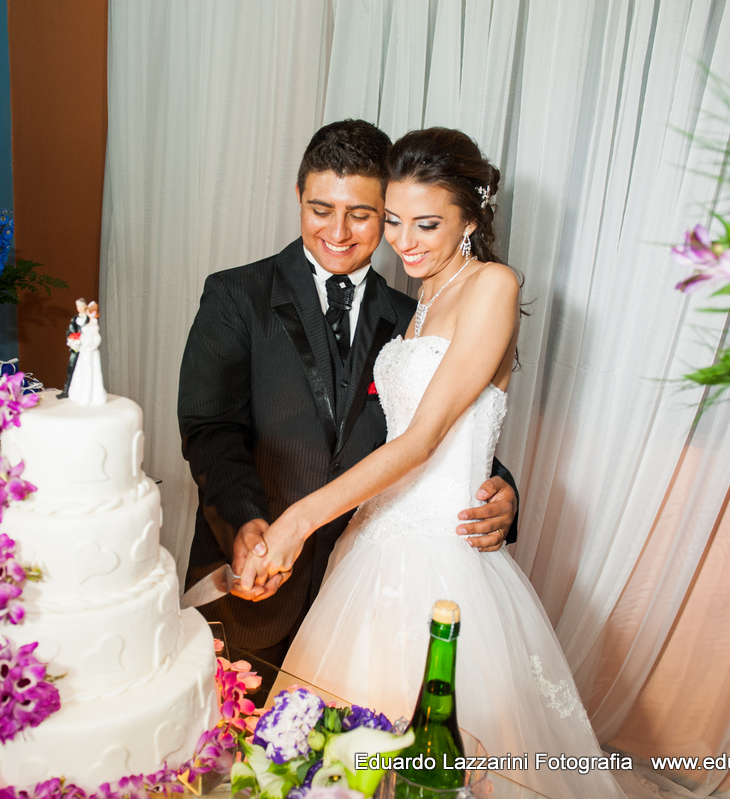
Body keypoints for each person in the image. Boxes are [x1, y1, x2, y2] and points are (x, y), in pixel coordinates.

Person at [250, 128, 627, 799]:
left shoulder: (492, 284)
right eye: (393, 220)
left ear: (472, 219)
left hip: (442, 551)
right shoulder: (420, 301)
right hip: (374, 538)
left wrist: (300, 520)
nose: (405, 241)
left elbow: (426, 440)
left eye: (427, 224)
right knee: (338, 751)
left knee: (445, 754)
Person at [177, 120, 519, 665]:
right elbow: (211, 431)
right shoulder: (236, 295)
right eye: (320, 209)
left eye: (362, 215)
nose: (338, 231)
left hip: (372, 589)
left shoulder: (415, 315)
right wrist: (247, 523)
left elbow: (438, 428)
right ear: (298, 196)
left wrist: (502, 492)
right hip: (258, 584)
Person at [67, 299, 107, 405]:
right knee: (81, 369)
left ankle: (88, 394)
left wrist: (92, 347)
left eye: (95, 311)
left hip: (90, 351)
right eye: (91, 311)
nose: (93, 313)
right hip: (84, 350)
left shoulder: (94, 323)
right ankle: (79, 392)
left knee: (89, 370)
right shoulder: (83, 320)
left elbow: (97, 337)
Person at [58, 298, 91, 400]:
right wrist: (72, 339)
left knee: (85, 370)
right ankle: (66, 390)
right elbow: (69, 331)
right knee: (71, 369)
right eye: (78, 306)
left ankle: (85, 393)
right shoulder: (74, 319)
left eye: (81, 306)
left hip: (86, 349)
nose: (79, 308)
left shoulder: (89, 319)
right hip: (75, 348)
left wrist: (83, 340)